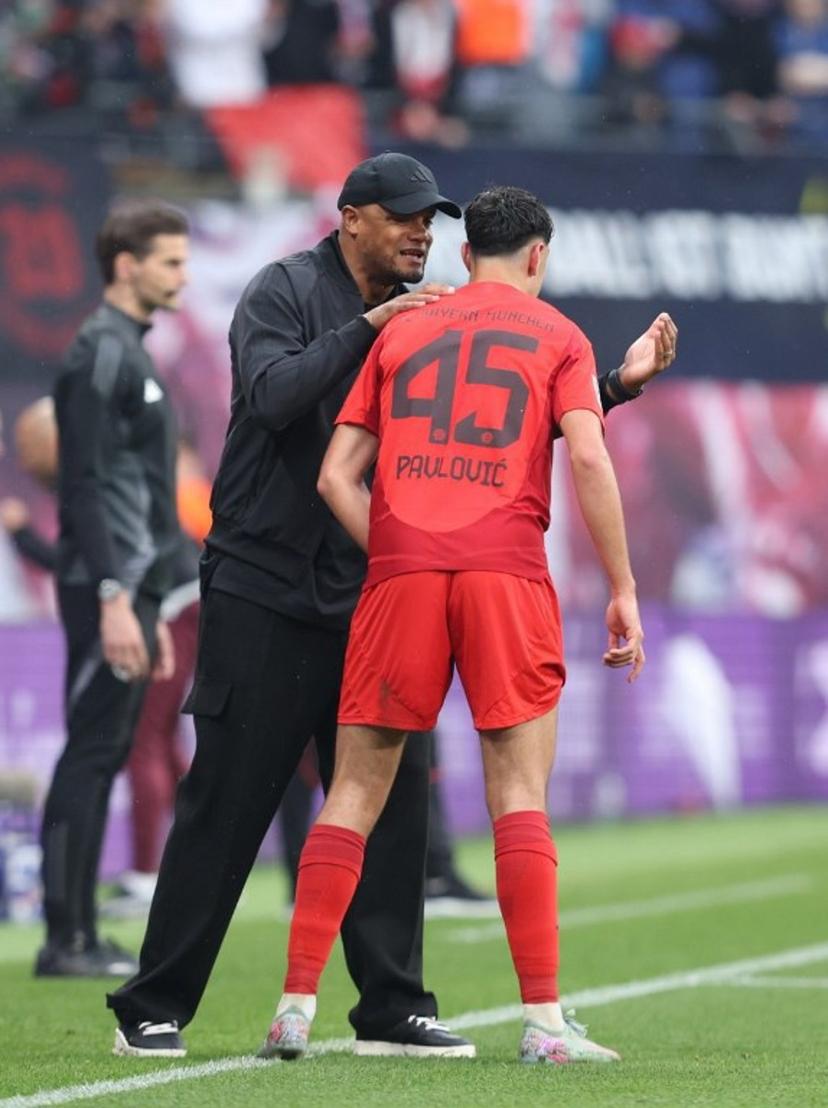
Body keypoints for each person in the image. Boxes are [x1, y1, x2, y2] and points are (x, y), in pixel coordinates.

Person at [107, 152, 676, 1060]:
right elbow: (273, 395)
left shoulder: (429, 316)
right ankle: (157, 1001)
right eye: (405, 218)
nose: (423, 233)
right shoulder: (286, 292)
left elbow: (489, 424)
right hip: (269, 584)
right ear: (351, 220)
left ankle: (390, 1004)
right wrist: (369, 327)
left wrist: (610, 388)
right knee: (230, 791)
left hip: (378, 580)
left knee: (392, 796)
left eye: (432, 221)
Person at [259, 184, 650, 1064]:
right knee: (517, 794)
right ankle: (545, 1025)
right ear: (538, 257)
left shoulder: (403, 327)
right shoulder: (559, 337)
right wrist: (624, 586)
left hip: (400, 577)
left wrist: (399, 547)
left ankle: (293, 1007)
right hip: (504, 573)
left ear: (465, 254)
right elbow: (584, 451)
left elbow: (335, 477)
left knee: (352, 791)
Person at [35, 202, 189, 978]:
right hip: (106, 585)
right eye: (169, 262)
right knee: (91, 755)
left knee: (103, 753)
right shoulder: (100, 352)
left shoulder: (128, 350)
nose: (182, 276)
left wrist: (149, 599)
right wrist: (112, 592)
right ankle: (65, 937)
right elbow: (86, 486)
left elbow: (137, 492)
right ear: (126, 266)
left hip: (132, 588)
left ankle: (81, 933)